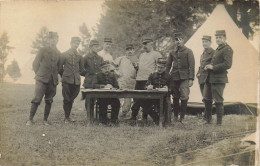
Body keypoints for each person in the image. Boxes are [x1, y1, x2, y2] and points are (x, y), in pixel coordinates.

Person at [26, 32, 60, 126]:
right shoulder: (43, 50)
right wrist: (40, 74)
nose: (54, 41)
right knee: (37, 99)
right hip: (41, 79)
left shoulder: (58, 53)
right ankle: (30, 119)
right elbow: (35, 63)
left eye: (56, 39)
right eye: (52, 39)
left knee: (49, 100)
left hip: (52, 81)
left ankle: (45, 120)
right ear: (48, 40)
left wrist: (55, 77)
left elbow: (59, 67)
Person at [128, 38, 162, 121]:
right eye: (143, 44)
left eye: (146, 44)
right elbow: (138, 68)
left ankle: (151, 117)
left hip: (148, 80)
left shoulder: (156, 54)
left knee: (144, 100)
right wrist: (135, 66)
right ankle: (134, 116)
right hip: (139, 79)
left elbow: (159, 67)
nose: (144, 46)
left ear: (151, 44)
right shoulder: (142, 55)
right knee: (136, 98)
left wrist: (153, 80)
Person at [204, 30, 233, 125]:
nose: (218, 39)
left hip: (219, 79)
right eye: (216, 37)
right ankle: (208, 121)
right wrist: (208, 66)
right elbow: (215, 62)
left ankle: (219, 124)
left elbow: (228, 64)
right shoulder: (218, 49)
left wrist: (213, 67)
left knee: (218, 101)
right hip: (211, 78)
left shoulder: (227, 49)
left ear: (225, 38)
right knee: (207, 99)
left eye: (220, 37)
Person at [166, 32, 195, 123]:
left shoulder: (188, 51)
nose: (178, 41)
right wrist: (166, 77)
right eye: (176, 40)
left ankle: (182, 118)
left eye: (180, 39)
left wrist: (191, 79)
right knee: (175, 96)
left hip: (185, 77)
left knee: (184, 96)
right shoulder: (172, 52)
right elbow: (168, 66)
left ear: (183, 40)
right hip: (174, 77)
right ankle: (175, 116)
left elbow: (192, 65)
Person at [59, 37, 85, 123]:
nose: (76, 45)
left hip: (76, 81)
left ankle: (68, 116)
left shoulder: (80, 56)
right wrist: (65, 75)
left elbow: (82, 69)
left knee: (72, 99)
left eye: (77, 44)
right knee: (66, 99)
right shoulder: (64, 55)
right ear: (71, 43)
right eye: (74, 43)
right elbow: (59, 68)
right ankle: (66, 117)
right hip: (66, 80)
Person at [143, 58, 171, 126]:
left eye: (161, 68)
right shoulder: (152, 75)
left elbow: (172, 88)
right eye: (158, 67)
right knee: (144, 103)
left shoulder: (169, 76)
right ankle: (156, 118)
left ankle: (166, 122)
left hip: (164, 97)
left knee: (167, 103)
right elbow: (146, 86)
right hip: (153, 97)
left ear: (165, 68)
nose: (159, 69)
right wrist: (148, 87)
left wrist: (167, 89)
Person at [113, 44, 138, 117]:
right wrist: (117, 73)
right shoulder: (121, 58)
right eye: (128, 50)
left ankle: (124, 113)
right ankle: (116, 114)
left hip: (131, 82)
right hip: (121, 82)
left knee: (128, 99)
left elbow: (139, 70)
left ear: (133, 51)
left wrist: (136, 67)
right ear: (126, 51)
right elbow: (112, 66)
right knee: (118, 98)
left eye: (131, 50)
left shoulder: (135, 59)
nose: (129, 51)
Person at [92, 61, 120, 125]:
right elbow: (94, 85)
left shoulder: (112, 75)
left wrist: (112, 87)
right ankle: (103, 120)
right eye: (105, 68)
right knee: (102, 103)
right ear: (101, 69)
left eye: (108, 68)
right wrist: (103, 86)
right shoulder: (97, 75)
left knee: (117, 103)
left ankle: (114, 120)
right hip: (102, 96)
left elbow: (117, 86)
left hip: (112, 97)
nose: (107, 70)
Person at [82, 40, 105, 115]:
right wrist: (88, 74)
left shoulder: (100, 58)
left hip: (98, 82)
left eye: (97, 46)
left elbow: (103, 69)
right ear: (90, 47)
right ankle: (90, 117)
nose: (97, 48)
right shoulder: (86, 58)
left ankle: (101, 117)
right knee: (89, 100)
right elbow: (81, 70)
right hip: (89, 82)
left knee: (101, 99)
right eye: (95, 46)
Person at [196, 35, 215, 124]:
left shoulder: (213, 52)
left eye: (206, 42)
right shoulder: (203, 53)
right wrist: (198, 72)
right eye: (203, 42)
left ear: (210, 42)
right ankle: (205, 117)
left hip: (208, 78)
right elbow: (201, 65)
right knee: (205, 98)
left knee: (208, 98)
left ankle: (208, 119)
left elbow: (213, 65)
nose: (204, 43)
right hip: (202, 78)